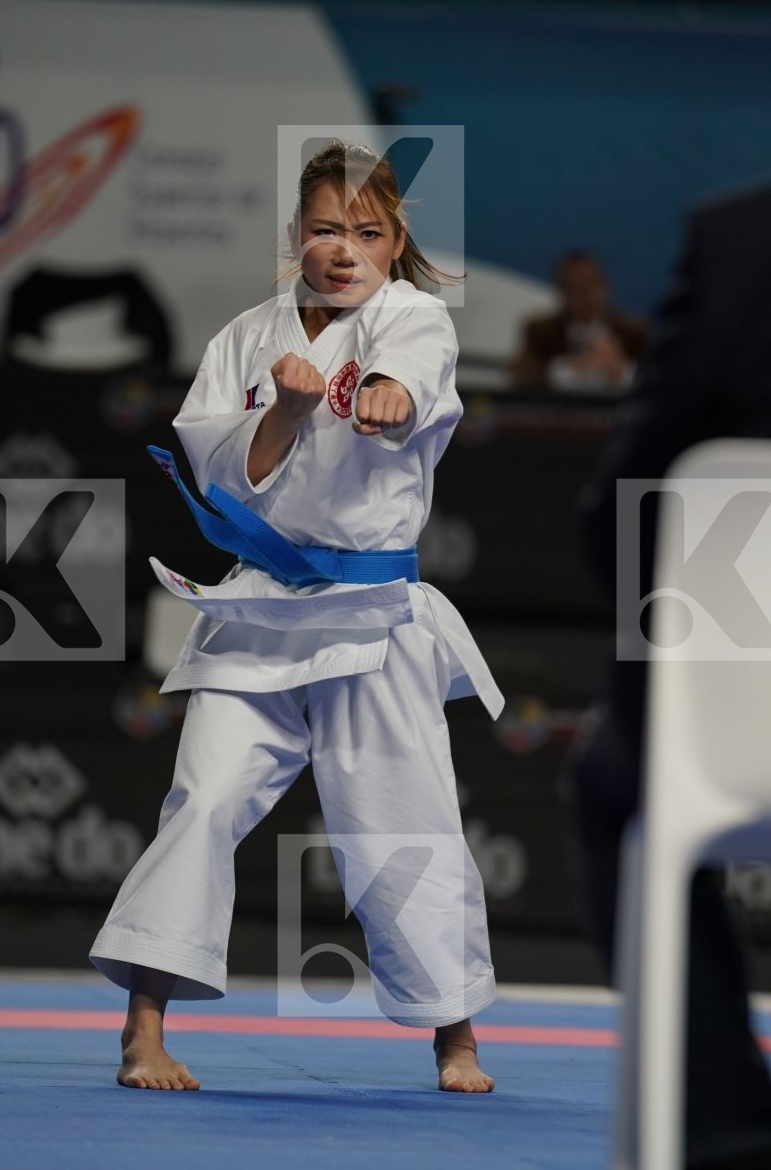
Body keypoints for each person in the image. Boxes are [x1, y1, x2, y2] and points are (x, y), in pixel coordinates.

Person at [89, 140, 504, 1094]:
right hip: (260, 609)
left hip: (373, 616)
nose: (345, 250)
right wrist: (284, 409)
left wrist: (389, 399)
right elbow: (221, 479)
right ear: (295, 237)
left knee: (404, 819)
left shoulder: (413, 319)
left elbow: (409, 387)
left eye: (367, 233)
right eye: (325, 230)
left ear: (395, 240)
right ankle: (144, 1028)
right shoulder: (245, 338)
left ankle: (456, 1038)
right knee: (202, 799)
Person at [569, 183, 771, 1170]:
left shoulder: (744, 240)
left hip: (748, 711)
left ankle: (725, 1134)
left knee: (620, 782)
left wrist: (677, 676)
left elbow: (631, 495)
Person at [511, 249, 649, 393]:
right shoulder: (540, 332)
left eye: (590, 284)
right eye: (574, 287)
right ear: (562, 292)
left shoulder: (633, 332)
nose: (584, 295)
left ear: (605, 287)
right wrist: (572, 368)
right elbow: (523, 377)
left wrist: (621, 370)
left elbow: (652, 380)